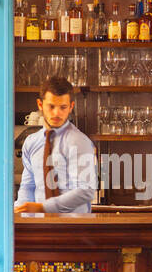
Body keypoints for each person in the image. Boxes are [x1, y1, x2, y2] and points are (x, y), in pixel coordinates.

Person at [15, 75, 97, 215]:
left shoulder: (80, 142)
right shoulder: (31, 142)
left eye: (63, 107)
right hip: (38, 229)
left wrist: (44, 207)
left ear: (71, 106)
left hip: (73, 228)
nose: (57, 113)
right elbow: (28, 186)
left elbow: (86, 191)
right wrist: (19, 213)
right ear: (40, 105)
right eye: (51, 106)